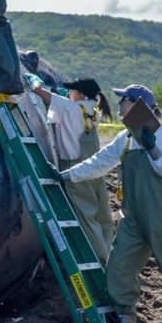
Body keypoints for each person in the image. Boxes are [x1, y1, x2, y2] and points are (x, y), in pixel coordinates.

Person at [60, 84, 162, 323]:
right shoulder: (126, 138)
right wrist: (67, 176)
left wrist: (152, 149)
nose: (119, 105)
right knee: (119, 268)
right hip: (133, 219)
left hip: (161, 216)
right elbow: (100, 162)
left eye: (124, 100)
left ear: (137, 104)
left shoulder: (158, 135)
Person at [30, 77, 115, 263]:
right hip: (95, 168)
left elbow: (39, 92)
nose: (69, 93)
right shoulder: (93, 111)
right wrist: (66, 98)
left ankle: (101, 261)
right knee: (103, 217)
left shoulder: (69, 107)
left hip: (75, 170)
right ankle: (112, 256)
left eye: (72, 91)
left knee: (86, 218)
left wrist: (35, 82)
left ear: (81, 94)